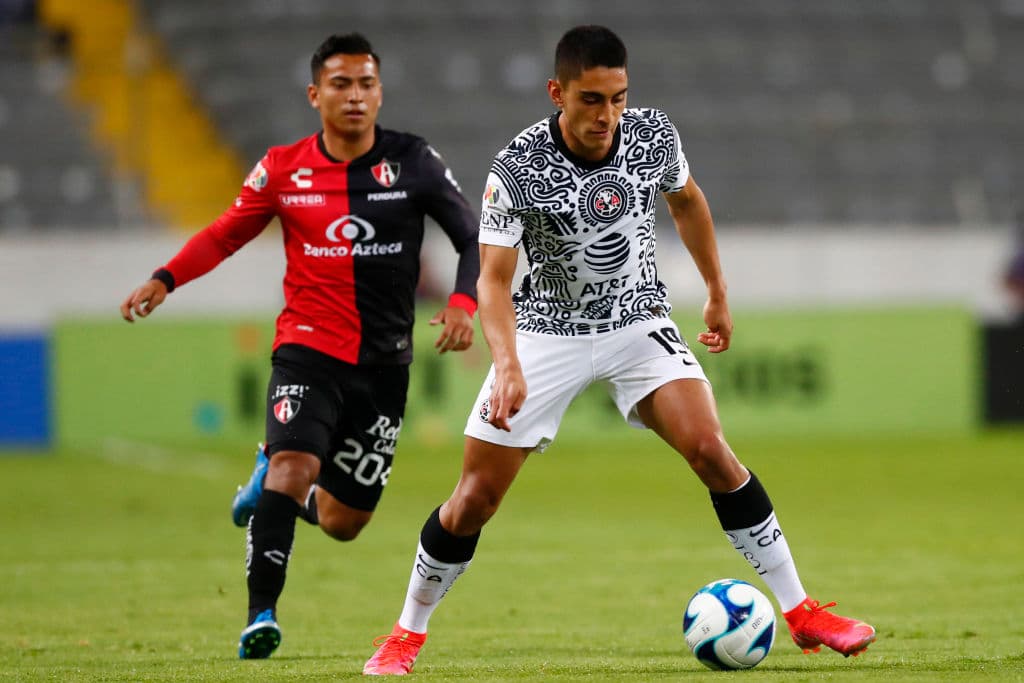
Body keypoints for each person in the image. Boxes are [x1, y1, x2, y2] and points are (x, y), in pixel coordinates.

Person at [361, 25, 876, 676]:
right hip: (547, 332)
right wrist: (510, 363)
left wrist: (717, 290)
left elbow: (687, 201)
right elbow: (492, 279)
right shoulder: (517, 167)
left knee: (713, 451)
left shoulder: (653, 135)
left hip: (637, 320)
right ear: (558, 93)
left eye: (618, 98)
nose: (608, 116)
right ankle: (407, 631)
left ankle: (801, 612)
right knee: (474, 498)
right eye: (591, 100)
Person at [119, 33, 480, 660]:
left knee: (345, 522)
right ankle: (262, 615)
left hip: (385, 364)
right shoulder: (283, 167)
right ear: (316, 94)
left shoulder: (413, 162)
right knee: (294, 467)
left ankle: (272, 485)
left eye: (366, 83)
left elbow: (472, 236)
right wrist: (165, 277)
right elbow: (226, 233)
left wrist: (462, 304)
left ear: (379, 92)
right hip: (307, 352)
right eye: (341, 84)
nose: (355, 96)